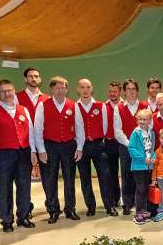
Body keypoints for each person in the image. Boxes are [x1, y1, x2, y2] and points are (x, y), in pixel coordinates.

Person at [0, 79, 36, 233]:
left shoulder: (23, 110)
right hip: (2, 155)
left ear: (14, 90)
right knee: (4, 189)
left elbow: (30, 132)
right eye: (3, 91)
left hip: (24, 153)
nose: (7, 94)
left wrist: (33, 152)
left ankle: (23, 216)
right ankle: (6, 220)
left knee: (24, 186)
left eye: (9, 90)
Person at [34, 76, 82, 223]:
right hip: (49, 146)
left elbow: (80, 128)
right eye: (57, 88)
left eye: (63, 88)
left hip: (69, 146)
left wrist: (79, 147)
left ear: (67, 89)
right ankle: (53, 210)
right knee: (50, 180)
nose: (60, 91)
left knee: (69, 179)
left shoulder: (74, 105)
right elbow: (37, 128)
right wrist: (41, 150)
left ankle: (70, 209)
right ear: (52, 89)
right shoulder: (43, 105)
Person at [74, 78, 117, 217]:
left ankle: (109, 206)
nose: (85, 90)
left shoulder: (100, 105)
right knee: (85, 178)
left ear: (92, 88)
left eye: (87, 87)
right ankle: (90, 206)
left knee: (105, 176)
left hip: (98, 145)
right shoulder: (75, 106)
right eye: (82, 87)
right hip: (81, 146)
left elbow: (104, 126)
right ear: (78, 89)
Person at [114, 79, 145, 215]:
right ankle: (127, 203)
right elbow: (117, 130)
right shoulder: (119, 108)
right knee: (126, 175)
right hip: (125, 147)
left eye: (133, 89)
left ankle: (141, 204)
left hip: (142, 148)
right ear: (124, 92)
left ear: (137, 91)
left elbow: (148, 126)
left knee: (140, 176)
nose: (131, 92)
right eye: (128, 89)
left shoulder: (145, 106)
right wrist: (130, 144)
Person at [16, 67, 50, 183]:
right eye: (30, 76)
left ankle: (51, 201)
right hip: (25, 142)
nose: (34, 79)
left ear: (39, 79)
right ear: (25, 79)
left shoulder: (47, 99)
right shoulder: (16, 97)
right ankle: (26, 202)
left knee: (47, 176)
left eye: (36, 76)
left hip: (43, 141)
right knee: (24, 177)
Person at [128, 109, 156, 225]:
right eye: (140, 119)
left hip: (149, 167)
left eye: (145, 119)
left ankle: (145, 211)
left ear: (149, 120)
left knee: (146, 189)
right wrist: (143, 159)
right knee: (140, 190)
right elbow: (131, 148)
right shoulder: (135, 133)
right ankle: (138, 212)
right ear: (137, 120)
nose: (142, 121)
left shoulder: (152, 132)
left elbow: (152, 148)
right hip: (139, 167)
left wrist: (153, 158)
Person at [105, 81, 123, 207]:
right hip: (110, 143)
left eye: (115, 91)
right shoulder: (103, 106)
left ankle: (129, 198)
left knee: (128, 172)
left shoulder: (125, 105)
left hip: (123, 143)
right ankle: (114, 199)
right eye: (110, 91)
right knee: (111, 173)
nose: (112, 94)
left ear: (120, 92)